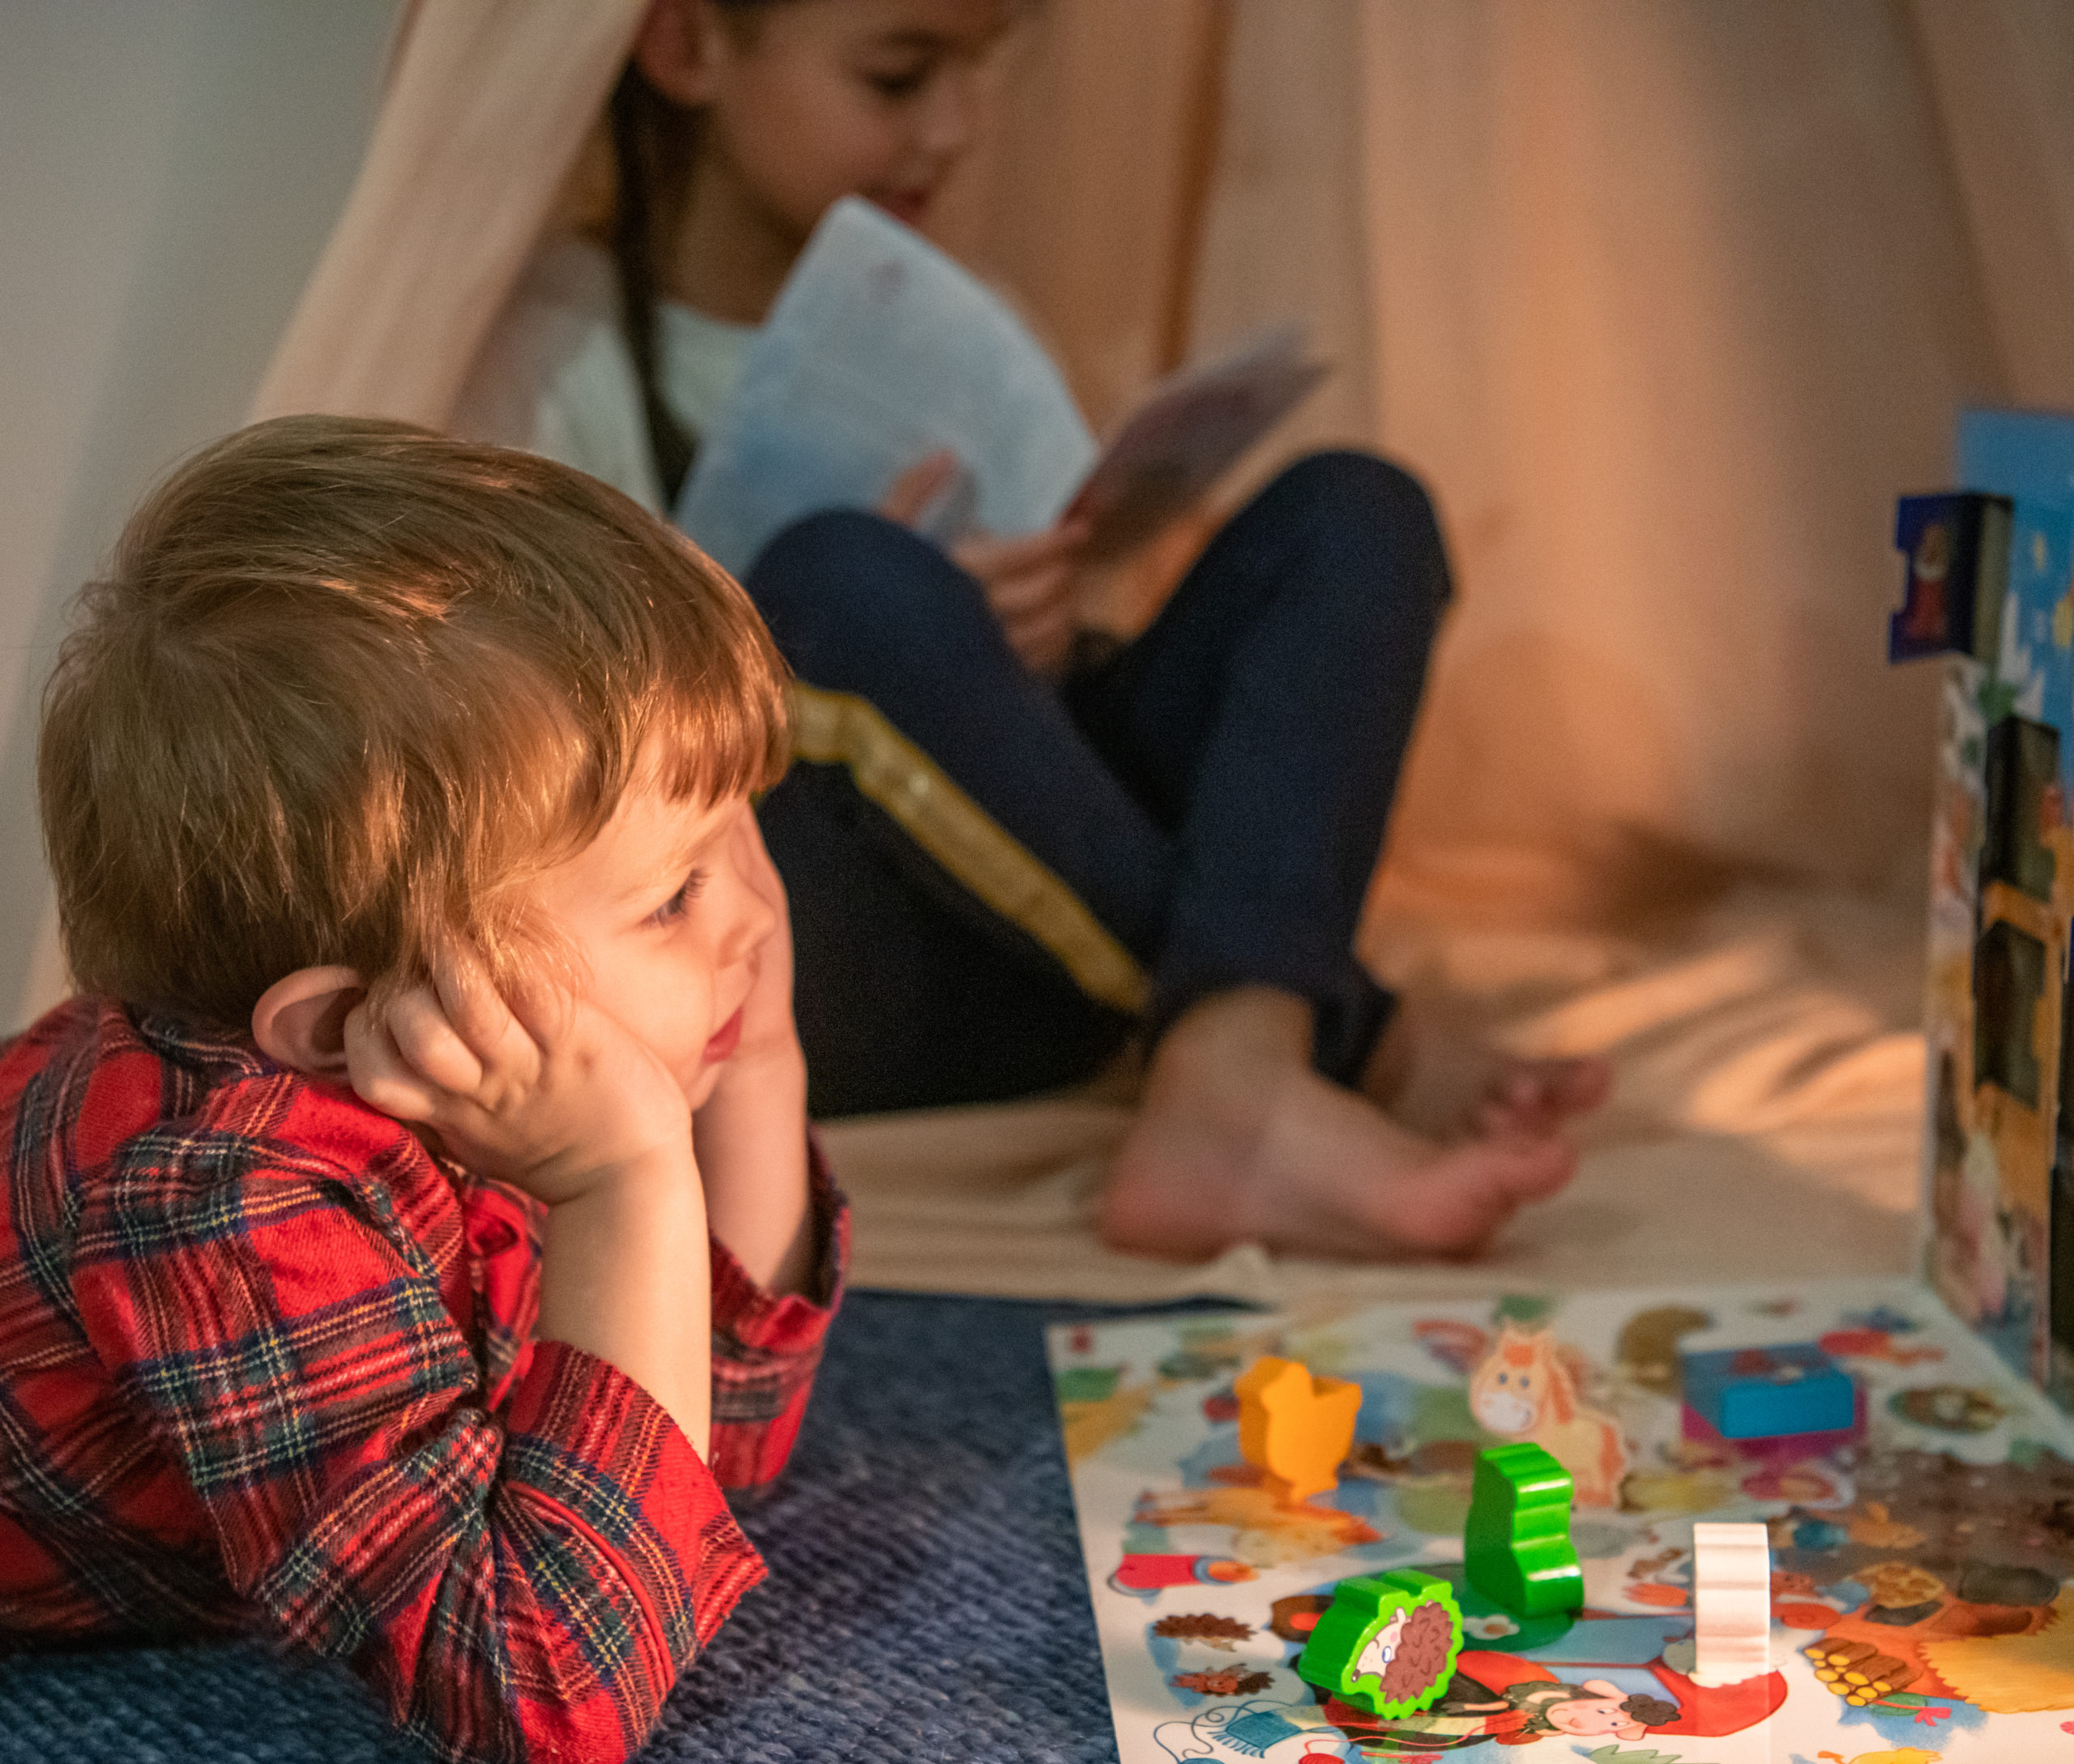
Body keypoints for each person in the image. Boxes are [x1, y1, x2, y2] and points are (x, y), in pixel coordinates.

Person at [304, 0, 1611, 1262]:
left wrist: (1010, 644)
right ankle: (1321, 1029)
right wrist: (859, 628)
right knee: (842, 581)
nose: (950, 132)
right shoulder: (546, 348)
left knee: (1356, 514)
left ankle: (1241, 1050)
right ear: (691, 44)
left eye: (976, 75)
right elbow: (526, 758)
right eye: (896, 75)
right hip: (814, 942)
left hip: (1025, 908)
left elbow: (1031, 761)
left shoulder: (948, 313)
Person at [0, 417, 843, 1764]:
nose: (751, 915)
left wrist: (761, 1055)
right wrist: (630, 1183)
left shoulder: (480, 1084)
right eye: (675, 893)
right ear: (347, 1030)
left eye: (735, 840)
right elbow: (548, 1675)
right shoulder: (227, 1205)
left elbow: (706, 1460)